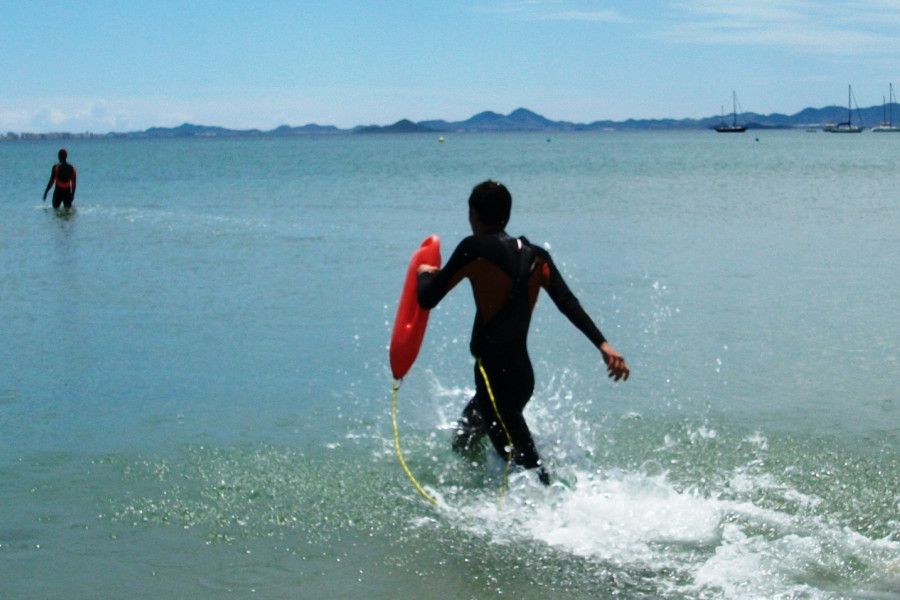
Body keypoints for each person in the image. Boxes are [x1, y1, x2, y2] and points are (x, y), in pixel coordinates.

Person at [416, 180, 629, 485]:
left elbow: (427, 299)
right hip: (521, 376)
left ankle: (556, 511)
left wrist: (423, 275)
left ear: (474, 214)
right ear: (507, 215)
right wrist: (603, 344)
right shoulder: (536, 256)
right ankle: (478, 495)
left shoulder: (473, 249)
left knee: (525, 463)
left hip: (493, 376)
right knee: (466, 435)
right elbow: (567, 302)